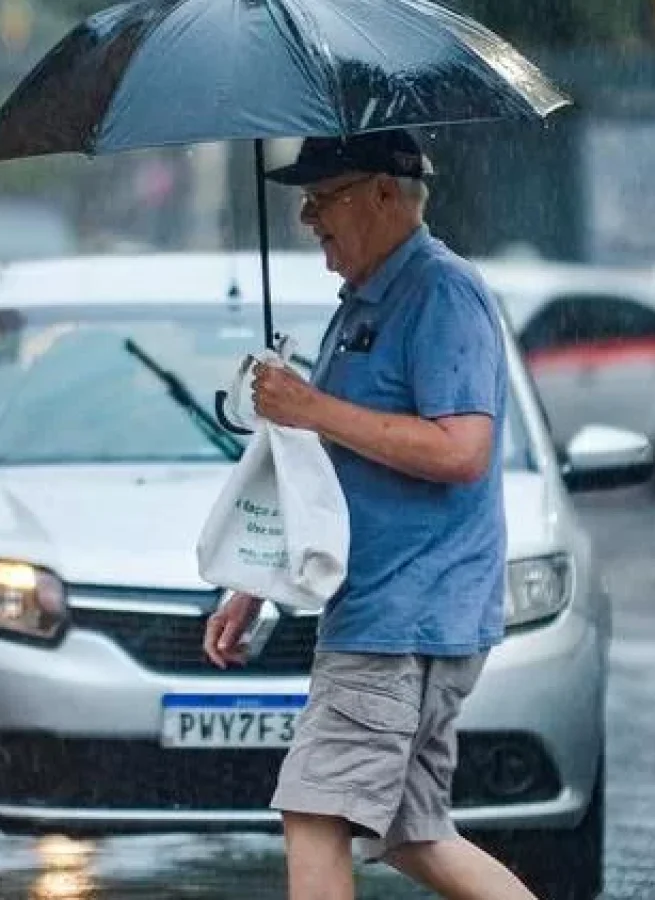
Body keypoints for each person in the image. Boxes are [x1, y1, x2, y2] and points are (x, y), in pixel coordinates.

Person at [201, 130, 535, 900]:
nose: (309, 217)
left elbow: (462, 451)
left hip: (406, 615)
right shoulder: (363, 303)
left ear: (386, 193)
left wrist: (313, 405)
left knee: (315, 809)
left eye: (325, 197)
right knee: (414, 833)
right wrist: (258, 580)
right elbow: (336, 473)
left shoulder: (441, 293)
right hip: (385, 607)